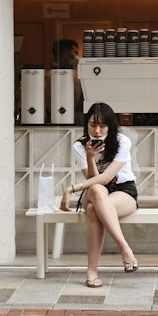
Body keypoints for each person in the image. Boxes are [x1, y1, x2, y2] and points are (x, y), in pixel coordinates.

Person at [60, 101, 138, 287]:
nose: (97, 131)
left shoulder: (122, 142)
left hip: (123, 191)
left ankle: (94, 270)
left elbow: (106, 178)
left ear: (110, 126)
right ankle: (125, 249)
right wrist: (89, 156)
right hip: (96, 191)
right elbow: (95, 180)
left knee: (93, 209)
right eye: (93, 125)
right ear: (86, 124)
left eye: (103, 126)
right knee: (95, 191)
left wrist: (71, 189)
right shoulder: (79, 146)